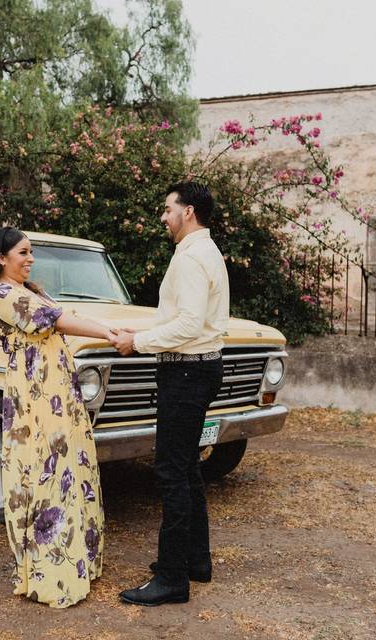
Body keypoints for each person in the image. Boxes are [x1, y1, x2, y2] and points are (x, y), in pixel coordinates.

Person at [0, 226, 115, 608]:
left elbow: (61, 313)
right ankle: (49, 570)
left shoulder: (28, 290)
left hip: (57, 390)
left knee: (70, 466)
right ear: (2, 258)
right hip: (36, 394)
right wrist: (108, 332)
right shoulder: (2, 294)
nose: (30, 258)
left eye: (31, 251)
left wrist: (109, 327)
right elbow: (56, 320)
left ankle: (77, 557)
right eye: (23, 252)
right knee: (44, 470)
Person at [113, 182, 228, 606]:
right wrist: (140, 332)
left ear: (189, 212)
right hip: (196, 371)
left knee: (171, 472)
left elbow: (189, 326)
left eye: (168, 209)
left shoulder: (193, 257)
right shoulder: (203, 252)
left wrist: (136, 344)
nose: (163, 217)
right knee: (188, 469)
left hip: (187, 375)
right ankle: (195, 560)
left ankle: (172, 578)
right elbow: (181, 320)